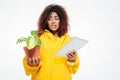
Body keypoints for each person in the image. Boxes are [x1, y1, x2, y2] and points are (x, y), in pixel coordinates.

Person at [23, 4, 80, 80]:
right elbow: (28, 68)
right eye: (49, 19)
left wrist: (72, 60)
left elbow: (73, 70)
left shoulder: (68, 40)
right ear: (46, 21)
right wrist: (32, 64)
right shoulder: (38, 38)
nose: (53, 22)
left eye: (56, 18)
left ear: (61, 20)